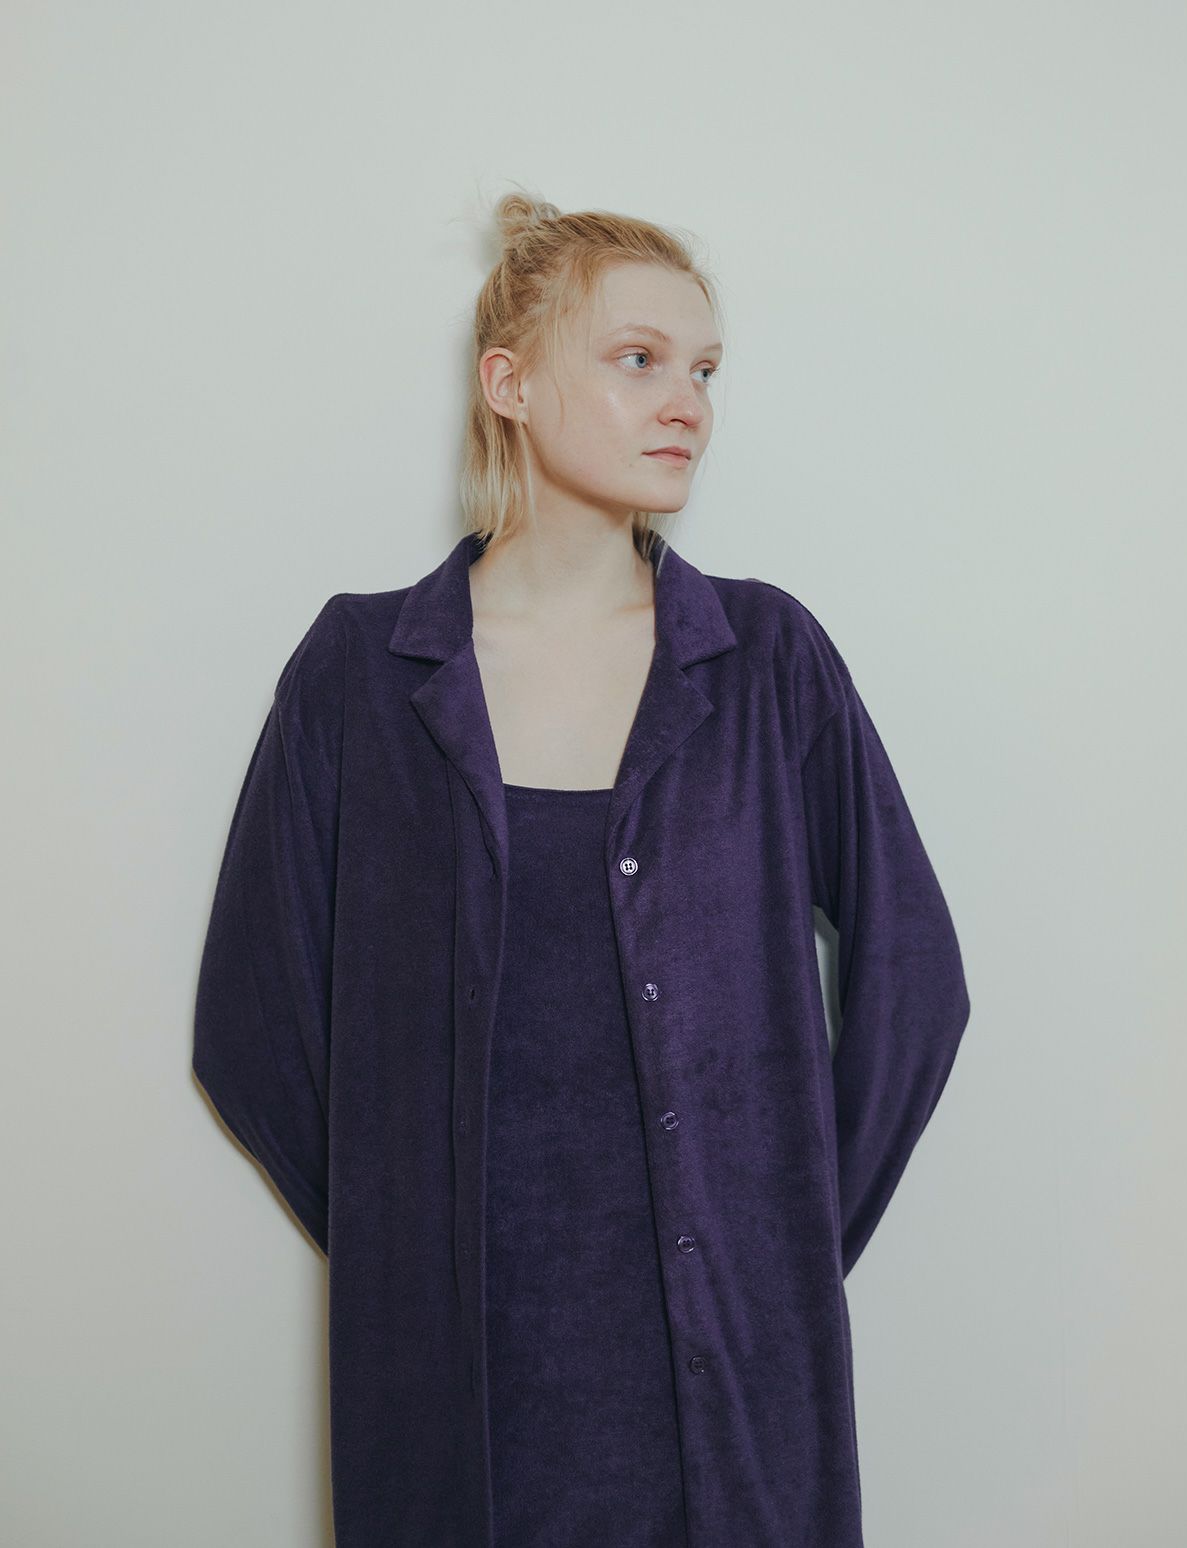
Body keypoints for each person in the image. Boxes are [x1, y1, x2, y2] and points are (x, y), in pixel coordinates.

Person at [193, 189, 971, 1548]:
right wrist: (414, 1245)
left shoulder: (767, 662)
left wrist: (778, 1245)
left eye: (706, 370)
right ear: (509, 384)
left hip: (737, 1395)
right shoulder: (360, 674)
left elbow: (916, 980)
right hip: (459, 1397)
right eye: (639, 360)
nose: (688, 405)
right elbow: (252, 1025)